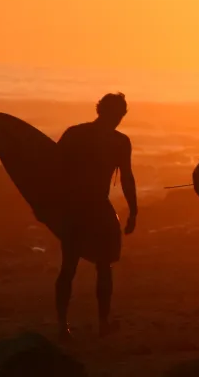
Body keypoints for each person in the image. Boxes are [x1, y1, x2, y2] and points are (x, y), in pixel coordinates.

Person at [54, 93, 138, 342]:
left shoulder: (76, 134)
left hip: (77, 208)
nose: (120, 118)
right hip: (94, 208)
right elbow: (127, 179)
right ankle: (97, 324)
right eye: (120, 114)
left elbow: (51, 170)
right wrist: (133, 211)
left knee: (73, 266)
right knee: (99, 266)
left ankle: (66, 325)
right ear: (110, 112)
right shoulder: (118, 141)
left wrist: (51, 208)